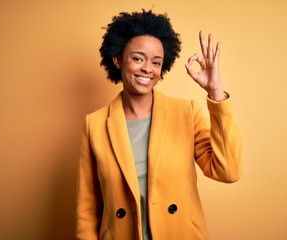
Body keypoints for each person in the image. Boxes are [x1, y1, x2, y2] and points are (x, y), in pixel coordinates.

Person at [76, 10, 242, 240]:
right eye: (137, 58)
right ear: (117, 59)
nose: (148, 68)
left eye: (156, 62)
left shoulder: (187, 113)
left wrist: (216, 91)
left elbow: (228, 172)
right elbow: (87, 208)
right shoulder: (94, 124)